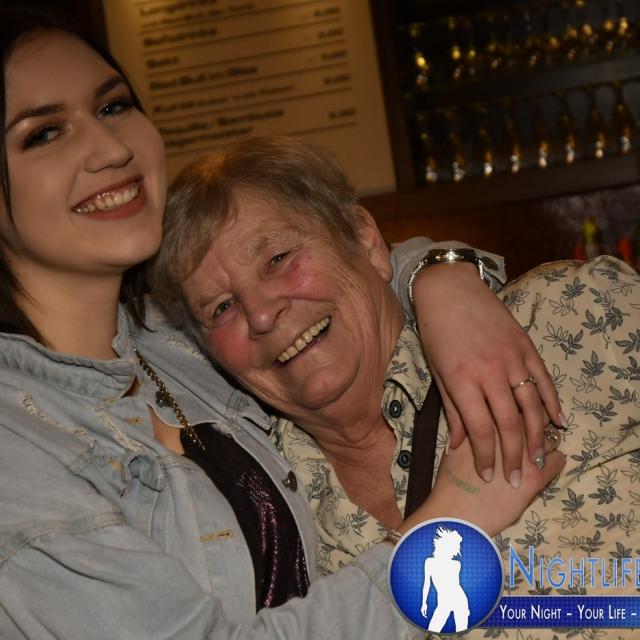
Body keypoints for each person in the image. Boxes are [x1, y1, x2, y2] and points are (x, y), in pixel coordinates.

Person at [0, 8, 565, 638]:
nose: (112, 149)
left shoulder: (168, 344)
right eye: (42, 134)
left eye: (113, 106)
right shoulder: (15, 449)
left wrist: (442, 281)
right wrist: (451, 526)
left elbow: (334, 276)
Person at [152, 137, 640, 640]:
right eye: (222, 307)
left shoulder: (570, 316)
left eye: (277, 258)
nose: (260, 314)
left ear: (365, 240)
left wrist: (439, 268)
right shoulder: (266, 526)